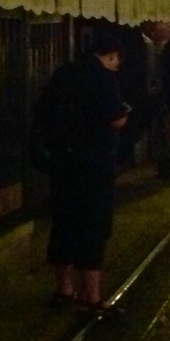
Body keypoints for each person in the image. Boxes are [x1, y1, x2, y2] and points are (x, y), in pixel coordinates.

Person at [42, 29, 129, 318]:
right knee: (93, 227)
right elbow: (116, 119)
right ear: (110, 55)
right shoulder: (103, 78)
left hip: (62, 162)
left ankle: (64, 289)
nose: (116, 65)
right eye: (116, 60)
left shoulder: (63, 74)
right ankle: (92, 297)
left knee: (64, 224)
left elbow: (43, 112)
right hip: (93, 164)